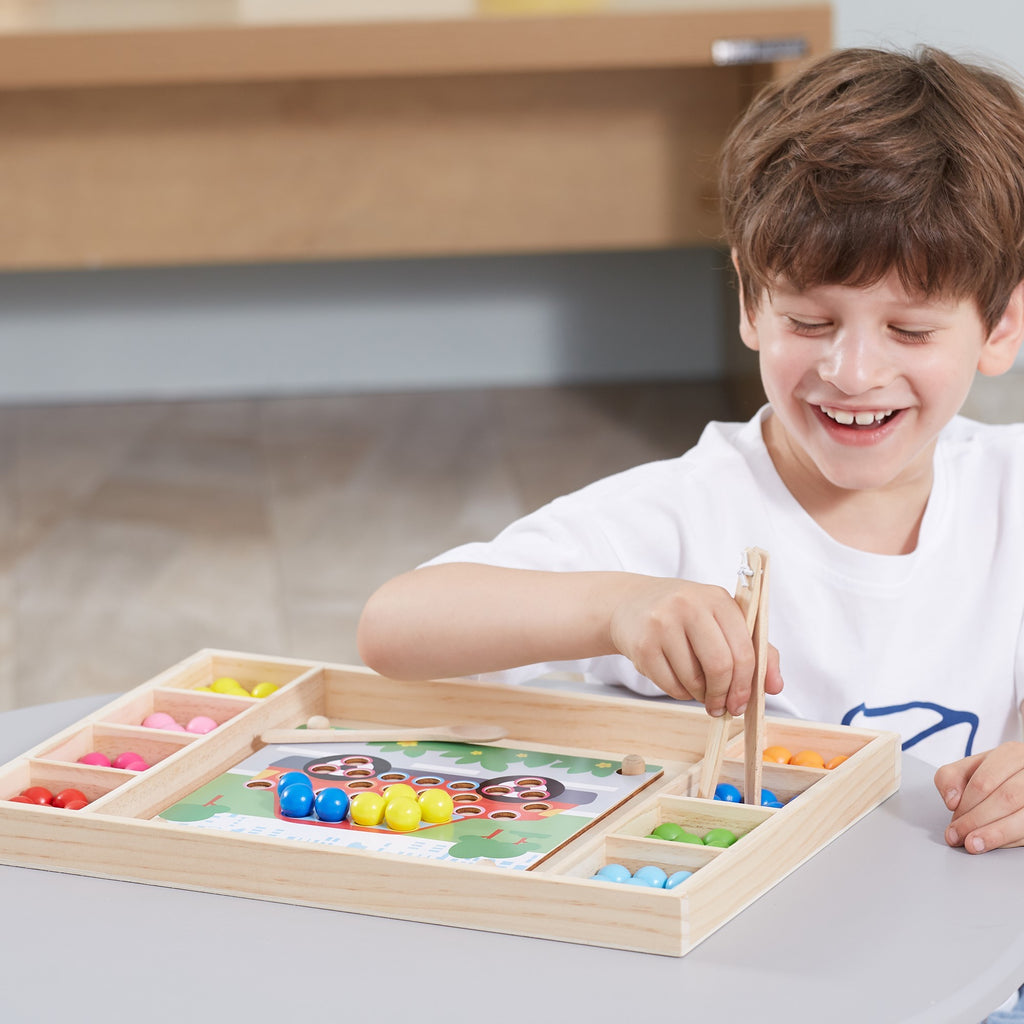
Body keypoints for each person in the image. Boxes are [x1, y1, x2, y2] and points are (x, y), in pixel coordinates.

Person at [357, 47, 1024, 861]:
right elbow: (393, 626)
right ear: (750, 303)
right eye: (809, 323)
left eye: (910, 331)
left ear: (1000, 327)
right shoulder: (683, 513)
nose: (852, 373)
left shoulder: (1008, 492)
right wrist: (615, 608)